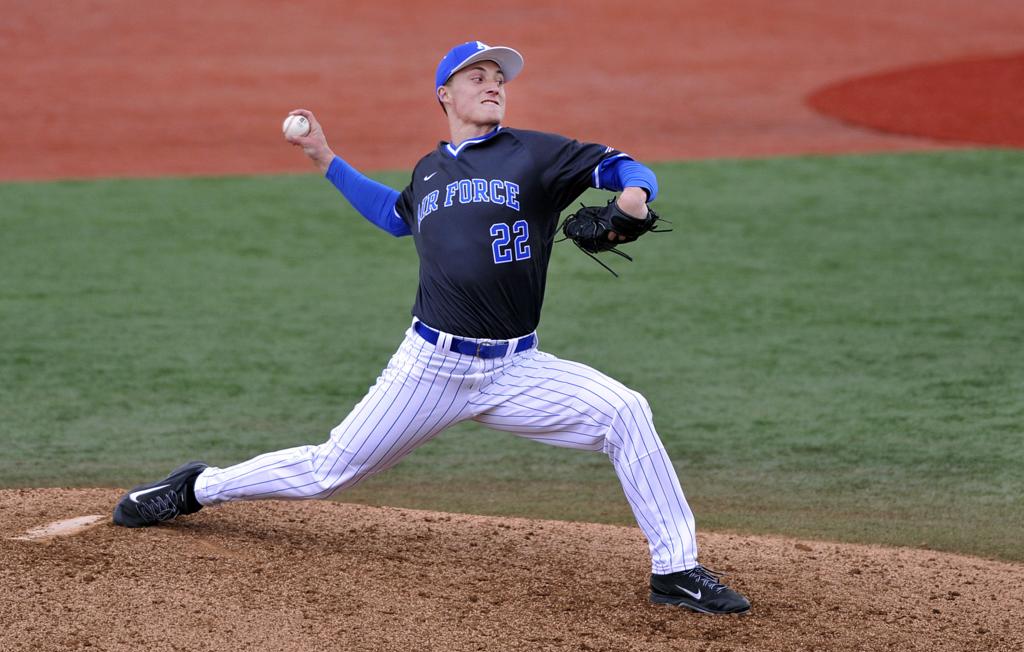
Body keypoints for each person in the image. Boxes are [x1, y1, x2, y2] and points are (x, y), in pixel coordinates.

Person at [113, 40, 750, 615]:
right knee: (328, 470)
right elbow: (394, 216)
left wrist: (636, 194)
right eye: (476, 75)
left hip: (516, 368)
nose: (493, 83)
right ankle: (196, 488)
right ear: (445, 93)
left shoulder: (534, 153)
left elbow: (620, 166)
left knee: (626, 412)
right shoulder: (429, 170)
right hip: (430, 369)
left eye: (499, 76)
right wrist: (324, 157)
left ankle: (677, 571)